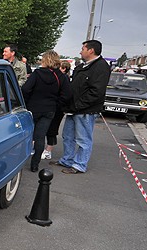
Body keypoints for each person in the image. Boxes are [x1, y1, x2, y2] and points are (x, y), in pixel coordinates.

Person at [52, 39, 111, 174]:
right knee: (68, 136)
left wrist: (78, 105)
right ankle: (67, 160)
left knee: (83, 139)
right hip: (73, 109)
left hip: (85, 111)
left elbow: (96, 92)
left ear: (91, 50)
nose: (80, 51)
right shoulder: (82, 67)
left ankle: (79, 165)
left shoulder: (101, 67)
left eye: (83, 48)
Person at [21, 50, 72, 172]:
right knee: (40, 137)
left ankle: (20, 159)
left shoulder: (37, 73)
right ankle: (35, 165)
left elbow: (25, 89)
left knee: (26, 135)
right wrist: (56, 104)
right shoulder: (61, 76)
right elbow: (68, 94)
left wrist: (26, 103)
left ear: (45, 60)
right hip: (49, 110)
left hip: (33, 108)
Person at [42, 60, 72, 160]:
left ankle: (48, 151)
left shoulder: (64, 79)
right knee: (47, 128)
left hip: (58, 109)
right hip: (54, 107)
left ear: (63, 69)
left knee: (52, 129)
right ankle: (45, 149)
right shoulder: (59, 78)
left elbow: (66, 95)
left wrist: (58, 105)